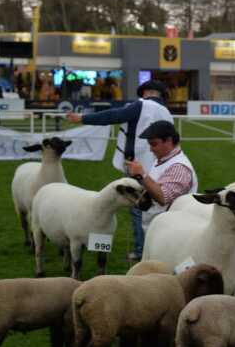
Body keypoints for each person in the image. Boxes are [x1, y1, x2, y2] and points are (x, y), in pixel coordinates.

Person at [66, 80, 174, 262]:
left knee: (138, 209)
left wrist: (83, 118)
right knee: (156, 209)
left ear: (146, 92)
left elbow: (114, 115)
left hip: (138, 166)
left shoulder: (142, 105)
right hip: (161, 165)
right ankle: (158, 249)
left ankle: (141, 252)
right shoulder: (166, 112)